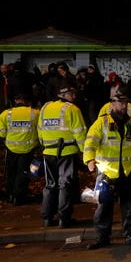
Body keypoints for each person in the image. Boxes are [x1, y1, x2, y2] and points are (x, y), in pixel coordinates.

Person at [84, 91, 131, 249]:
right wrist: (89, 160)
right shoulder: (101, 123)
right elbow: (90, 143)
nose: (123, 106)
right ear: (112, 104)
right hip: (107, 172)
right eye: (120, 103)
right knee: (103, 205)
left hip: (126, 170)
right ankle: (102, 237)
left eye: (125, 103)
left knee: (130, 205)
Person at [37, 84, 87, 228]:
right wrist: (86, 153)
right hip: (67, 152)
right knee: (65, 185)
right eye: (72, 93)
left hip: (48, 152)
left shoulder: (45, 108)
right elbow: (80, 132)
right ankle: (64, 219)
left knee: (50, 185)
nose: (74, 96)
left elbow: (40, 130)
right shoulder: (72, 109)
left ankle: (47, 218)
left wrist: (44, 145)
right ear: (65, 94)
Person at [0, 93, 39, 205]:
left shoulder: (6, 114)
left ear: (15, 101)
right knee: (24, 173)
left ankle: (11, 195)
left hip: (11, 148)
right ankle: (19, 197)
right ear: (27, 101)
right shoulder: (35, 113)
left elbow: (0, 133)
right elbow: (41, 129)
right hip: (28, 149)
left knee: (11, 172)